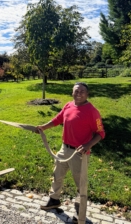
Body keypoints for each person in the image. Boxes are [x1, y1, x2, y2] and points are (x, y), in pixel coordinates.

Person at [35, 82, 105, 215]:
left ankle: (80, 211)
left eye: (82, 91)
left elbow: (100, 133)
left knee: (80, 183)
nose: (79, 94)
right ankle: (54, 200)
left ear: (87, 94)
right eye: (76, 91)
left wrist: (87, 145)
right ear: (72, 93)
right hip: (64, 148)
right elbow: (57, 119)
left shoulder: (92, 111)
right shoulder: (68, 105)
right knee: (57, 175)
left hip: (79, 153)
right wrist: (43, 127)